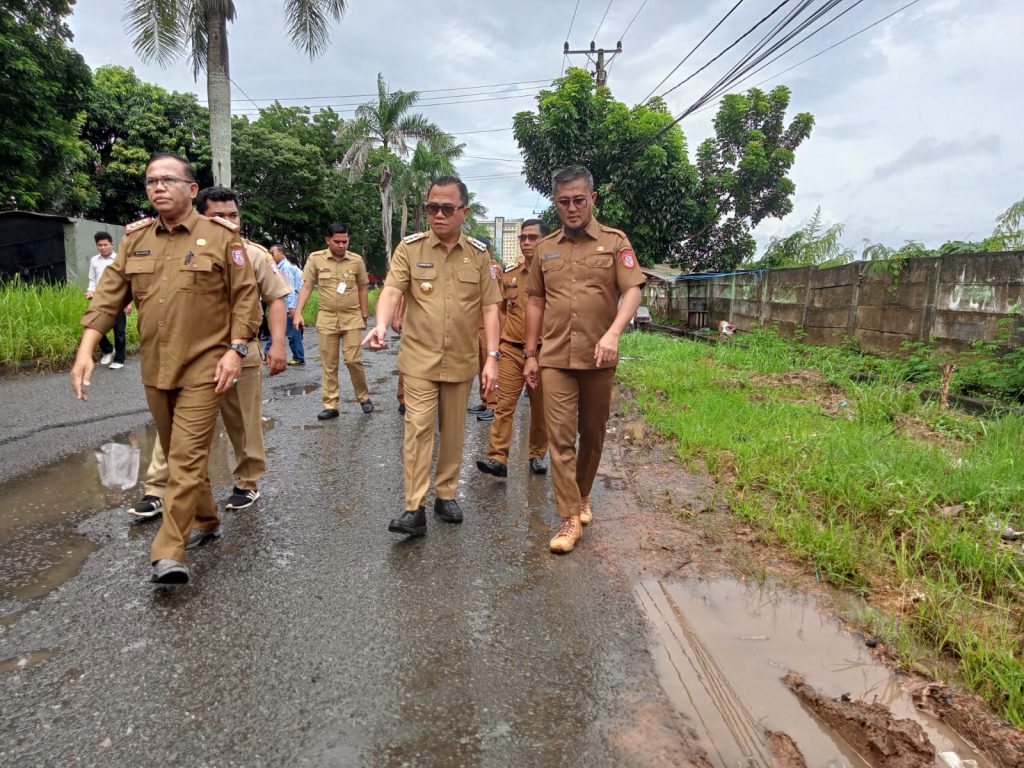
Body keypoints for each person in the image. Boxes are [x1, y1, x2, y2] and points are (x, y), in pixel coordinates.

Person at [71, 153, 262, 584]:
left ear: (192, 190)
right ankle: (208, 518)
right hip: (156, 368)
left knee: (184, 456)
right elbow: (108, 297)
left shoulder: (221, 238)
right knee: (182, 452)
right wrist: (87, 347)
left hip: (206, 367)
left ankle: (168, 550)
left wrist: (236, 350)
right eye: (151, 181)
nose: (157, 187)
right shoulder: (135, 240)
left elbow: (246, 298)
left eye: (168, 180)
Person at [130, 186, 290, 520]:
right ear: (201, 215)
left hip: (240, 352)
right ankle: (159, 488)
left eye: (234, 215)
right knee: (173, 426)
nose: (230, 222)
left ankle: (247, 481)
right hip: (188, 354)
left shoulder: (252, 253)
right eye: (220, 216)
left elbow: (275, 297)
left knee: (242, 422)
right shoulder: (174, 250)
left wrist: (277, 344)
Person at [364, 176, 502, 536]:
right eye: (431, 208)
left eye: (446, 208)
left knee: (453, 432)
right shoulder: (409, 249)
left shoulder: (479, 255)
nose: (437, 215)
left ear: (463, 212)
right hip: (419, 360)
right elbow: (392, 291)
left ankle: (447, 494)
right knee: (418, 429)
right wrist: (380, 325)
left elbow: (490, 309)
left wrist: (492, 357)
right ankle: (415, 507)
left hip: (460, 361)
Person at [523, 166, 644, 554]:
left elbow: (632, 293)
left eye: (578, 200)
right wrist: (530, 354)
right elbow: (536, 301)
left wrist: (612, 334)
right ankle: (569, 517)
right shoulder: (545, 249)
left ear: (592, 198)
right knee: (560, 439)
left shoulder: (614, 242)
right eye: (563, 202)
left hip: (598, 356)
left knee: (592, 435)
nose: (571, 208)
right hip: (555, 357)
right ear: (555, 203)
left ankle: (584, 493)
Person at [477, 219, 551, 479]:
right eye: (522, 238)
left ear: (544, 240)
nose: (526, 242)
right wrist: (495, 350)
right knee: (504, 404)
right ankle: (497, 458)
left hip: (543, 351)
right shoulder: (510, 275)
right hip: (510, 349)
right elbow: (500, 312)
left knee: (540, 408)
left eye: (532, 237)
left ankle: (537, 454)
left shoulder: (553, 276)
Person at [294, 223, 373, 419]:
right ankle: (331, 405)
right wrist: (298, 313)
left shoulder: (356, 260)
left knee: (353, 360)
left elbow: (363, 287)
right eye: (337, 241)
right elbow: (306, 286)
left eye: (345, 241)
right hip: (327, 317)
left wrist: (364, 315)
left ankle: (363, 397)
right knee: (329, 364)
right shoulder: (316, 259)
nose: (341, 245)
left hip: (352, 317)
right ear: (328, 240)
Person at [467, 236, 505, 422]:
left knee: (489, 364)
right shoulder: (474, 266)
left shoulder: (492, 268)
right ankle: (484, 400)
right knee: (481, 367)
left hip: (486, 325)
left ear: (487, 250)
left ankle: (493, 404)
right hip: (475, 324)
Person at [86, 232, 130, 369]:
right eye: (99, 245)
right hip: (99, 299)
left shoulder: (120, 259)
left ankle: (119, 360)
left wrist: (128, 302)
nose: (102, 247)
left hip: (118, 299)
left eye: (105, 244)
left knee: (119, 331)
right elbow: (92, 279)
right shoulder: (94, 260)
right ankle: (108, 350)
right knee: (95, 326)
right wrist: (90, 290)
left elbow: (128, 281)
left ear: (112, 244)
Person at [269, 243, 305, 365]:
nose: (271, 255)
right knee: (277, 330)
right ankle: (267, 353)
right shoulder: (280, 267)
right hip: (283, 306)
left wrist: (291, 307)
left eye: (273, 252)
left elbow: (289, 289)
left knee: (293, 333)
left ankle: (299, 357)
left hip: (288, 306)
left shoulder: (285, 268)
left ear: (281, 253)